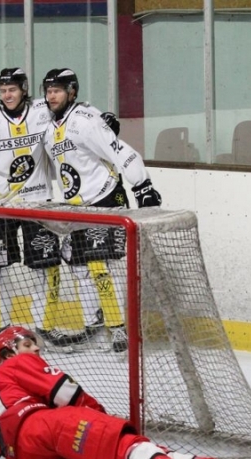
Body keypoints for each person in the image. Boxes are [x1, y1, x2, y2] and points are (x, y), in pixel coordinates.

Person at [0, 67, 120, 348]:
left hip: (37, 204)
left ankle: (45, 326)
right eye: (2, 90)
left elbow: (77, 110)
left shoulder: (43, 110)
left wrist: (103, 120)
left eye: (12, 89)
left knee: (47, 268)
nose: (7, 95)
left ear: (24, 89)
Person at [0, 327, 251, 459]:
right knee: (119, 440)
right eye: (26, 344)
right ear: (9, 354)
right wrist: (102, 419)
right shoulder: (14, 365)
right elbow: (67, 394)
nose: (35, 348)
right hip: (37, 429)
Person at [41, 68, 162, 352]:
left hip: (105, 198)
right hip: (77, 207)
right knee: (79, 266)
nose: (51, 96)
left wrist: (142, 186)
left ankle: (119, 330)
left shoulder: (84, 122)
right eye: (48, 91)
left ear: (71, 92)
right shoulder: (50, 128)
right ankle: (94, 327)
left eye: (57, 90)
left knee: (99, 267)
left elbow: (123, 152)